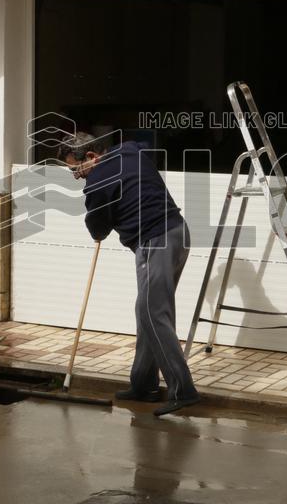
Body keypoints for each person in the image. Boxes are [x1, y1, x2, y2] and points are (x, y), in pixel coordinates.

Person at [58, 132, 200, 416]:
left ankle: (183, 390)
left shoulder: (97, 182)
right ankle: (143, 384)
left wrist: (101, 215)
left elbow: (98, 229)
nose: (75, 176)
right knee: (147, 309)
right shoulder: (131, 150)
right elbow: (148, 142)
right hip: (177, 233)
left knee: (152, 313)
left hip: (154, 241)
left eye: (75, 169)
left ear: (91, 157)